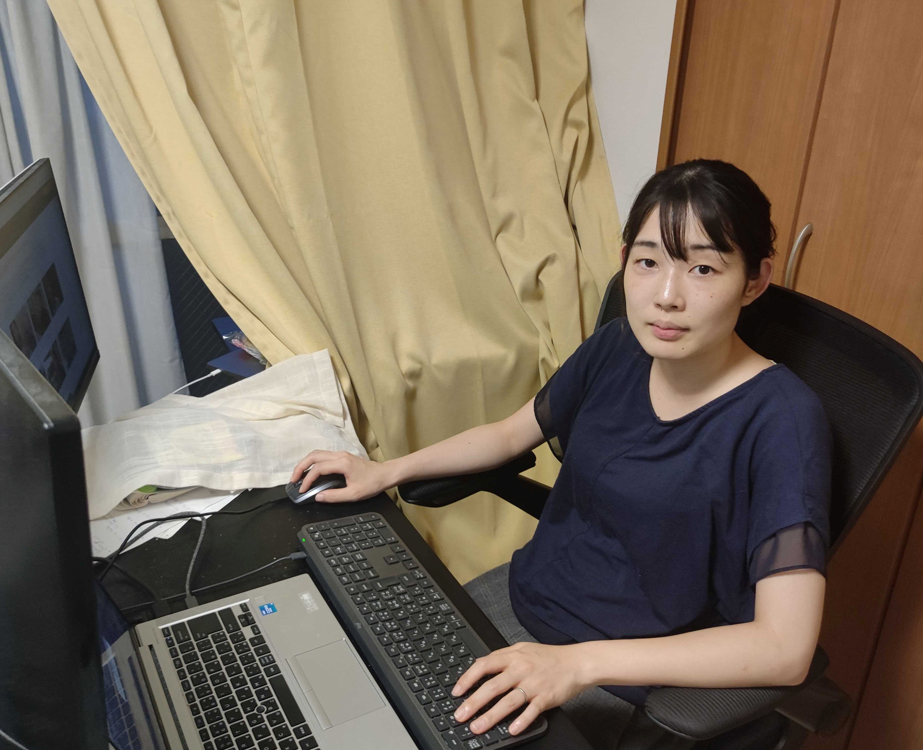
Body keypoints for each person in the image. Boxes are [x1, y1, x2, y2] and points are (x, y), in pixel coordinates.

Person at [290, 160, 832, 750]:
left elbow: (785, 650)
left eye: (703, 267)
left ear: (755, 281)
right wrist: (386, 470)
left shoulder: (781, 419)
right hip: (519, 604)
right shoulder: (620, 345)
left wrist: (577, 666)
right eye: (648, 262)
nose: (666, 297)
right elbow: (506, 434)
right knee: (339, 698)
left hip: (628, 678)